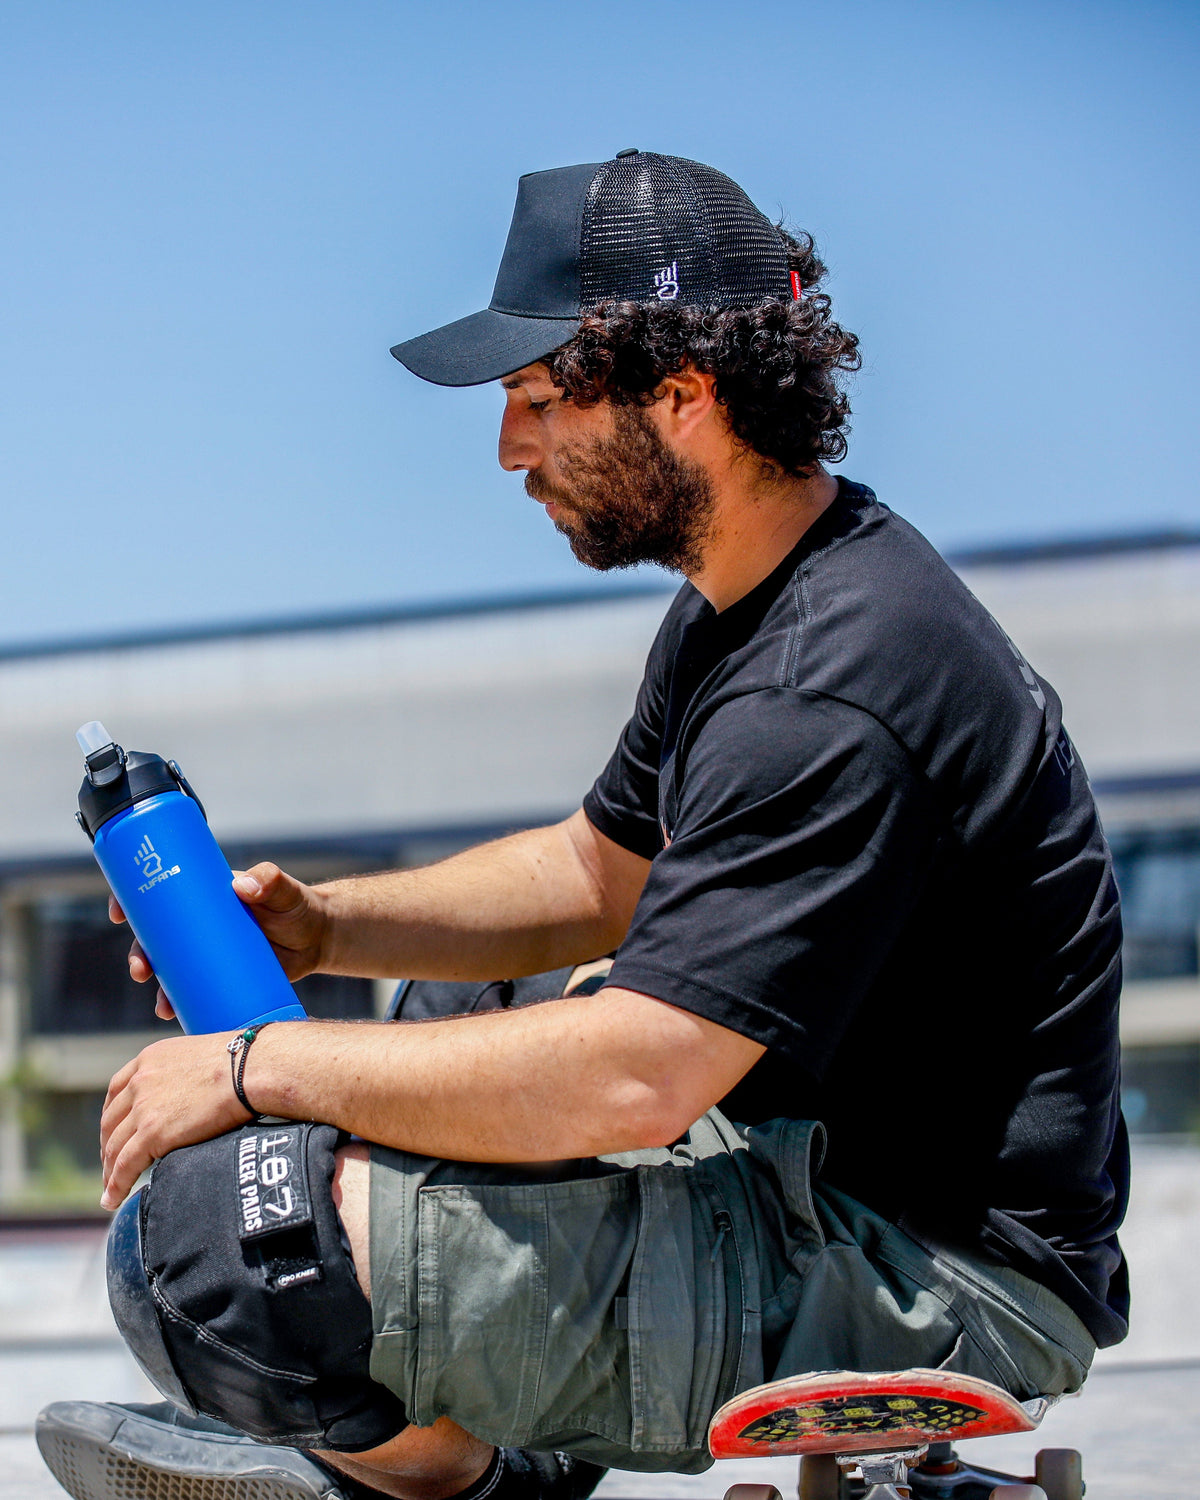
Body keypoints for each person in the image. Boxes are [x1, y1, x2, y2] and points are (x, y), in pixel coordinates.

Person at [38, 150, 1128, 1500]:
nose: (509, 449)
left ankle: (459, 1481)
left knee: (216, 1251)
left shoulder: (833, 681)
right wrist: (326, 928)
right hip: (795, 1171)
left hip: (925, 1273)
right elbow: (591, 872)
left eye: (539, 399)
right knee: (467, 1002)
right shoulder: (751, 601)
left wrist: (264, 1065)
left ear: (685, 398)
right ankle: (455, 1431)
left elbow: (639, 1075)